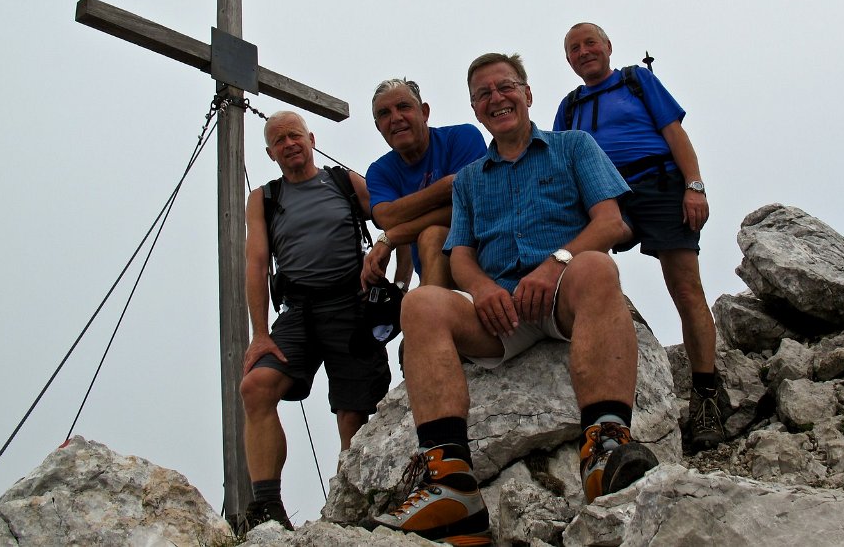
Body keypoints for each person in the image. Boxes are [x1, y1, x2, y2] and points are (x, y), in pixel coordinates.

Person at [374, 54, 658, 546]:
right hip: (501, 308)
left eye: (505, 87)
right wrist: (481, 288)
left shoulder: (574, 147)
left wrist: (557, 262)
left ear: (527, 94)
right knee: (421, 304)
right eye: (483, 94)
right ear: (475, 110)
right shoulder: (470, 178)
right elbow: (459, 253)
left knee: (596, 265)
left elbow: (611, 222)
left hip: (563, 292)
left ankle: (606, 445)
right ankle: (451, 484)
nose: (496, 98)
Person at [557, 22, 724, 450]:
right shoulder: (570, 106)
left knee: (686, 289)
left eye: (590, 42)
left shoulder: (636, 80)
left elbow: (675, 133)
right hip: (604, 196)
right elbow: (558, 160)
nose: (583, 51)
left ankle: (706, 394)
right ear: (569, 60)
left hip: (658, 186)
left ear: (608, 47)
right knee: (574, 267)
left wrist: (695, 185)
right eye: (574, 48)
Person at [239, 111, 407, 532]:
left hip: (351, 304)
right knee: (257, 386)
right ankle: (267, 507)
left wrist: (400, 284)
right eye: (279, 140)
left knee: (353, 412)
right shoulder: (263, 198)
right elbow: (256, 263)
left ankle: (351, 510)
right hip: (297, 312)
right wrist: (260, 333)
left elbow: (396, 221)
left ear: (311, 138)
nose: (289, 143)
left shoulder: (343, 182)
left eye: (295, 135)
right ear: (269, 152)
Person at [363, 79, 487, 290]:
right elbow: (387, 217)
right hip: (435, 277)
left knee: (433, 235)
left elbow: (473, 207)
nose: (395, 118)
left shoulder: (462, 137)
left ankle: (430, 310)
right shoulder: (380, 171)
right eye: (384, 113)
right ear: (378, 127)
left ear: (424, 112)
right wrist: (447, 186)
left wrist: (392, 237)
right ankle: (431, 310)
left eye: (403, 107)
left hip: (487, 266)